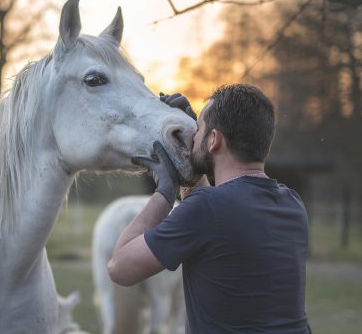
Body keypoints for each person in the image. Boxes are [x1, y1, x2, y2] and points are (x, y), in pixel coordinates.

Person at [107, 84, 311, 333]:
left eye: (199, 130)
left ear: (214, 140)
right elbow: (211, 208)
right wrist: (193, 150)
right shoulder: (293, 204)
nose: (193, 137)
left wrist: (164, 192)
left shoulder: (207, 208)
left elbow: (120, 268)